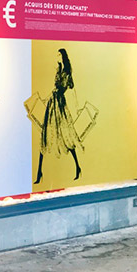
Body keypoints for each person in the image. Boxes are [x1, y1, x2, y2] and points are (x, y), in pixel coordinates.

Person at [34, 48, 82, 184]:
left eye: (59, 54)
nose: (57, 56)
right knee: (45, 135)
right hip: (52, 103)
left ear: (63, 56)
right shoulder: (59, 69)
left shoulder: (66, 72)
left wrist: (62, 93)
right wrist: (47, 98)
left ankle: (77, 166)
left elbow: (70, 87)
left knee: (66, 136)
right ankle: (39, 172)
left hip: (59, 105)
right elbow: (55, 88)